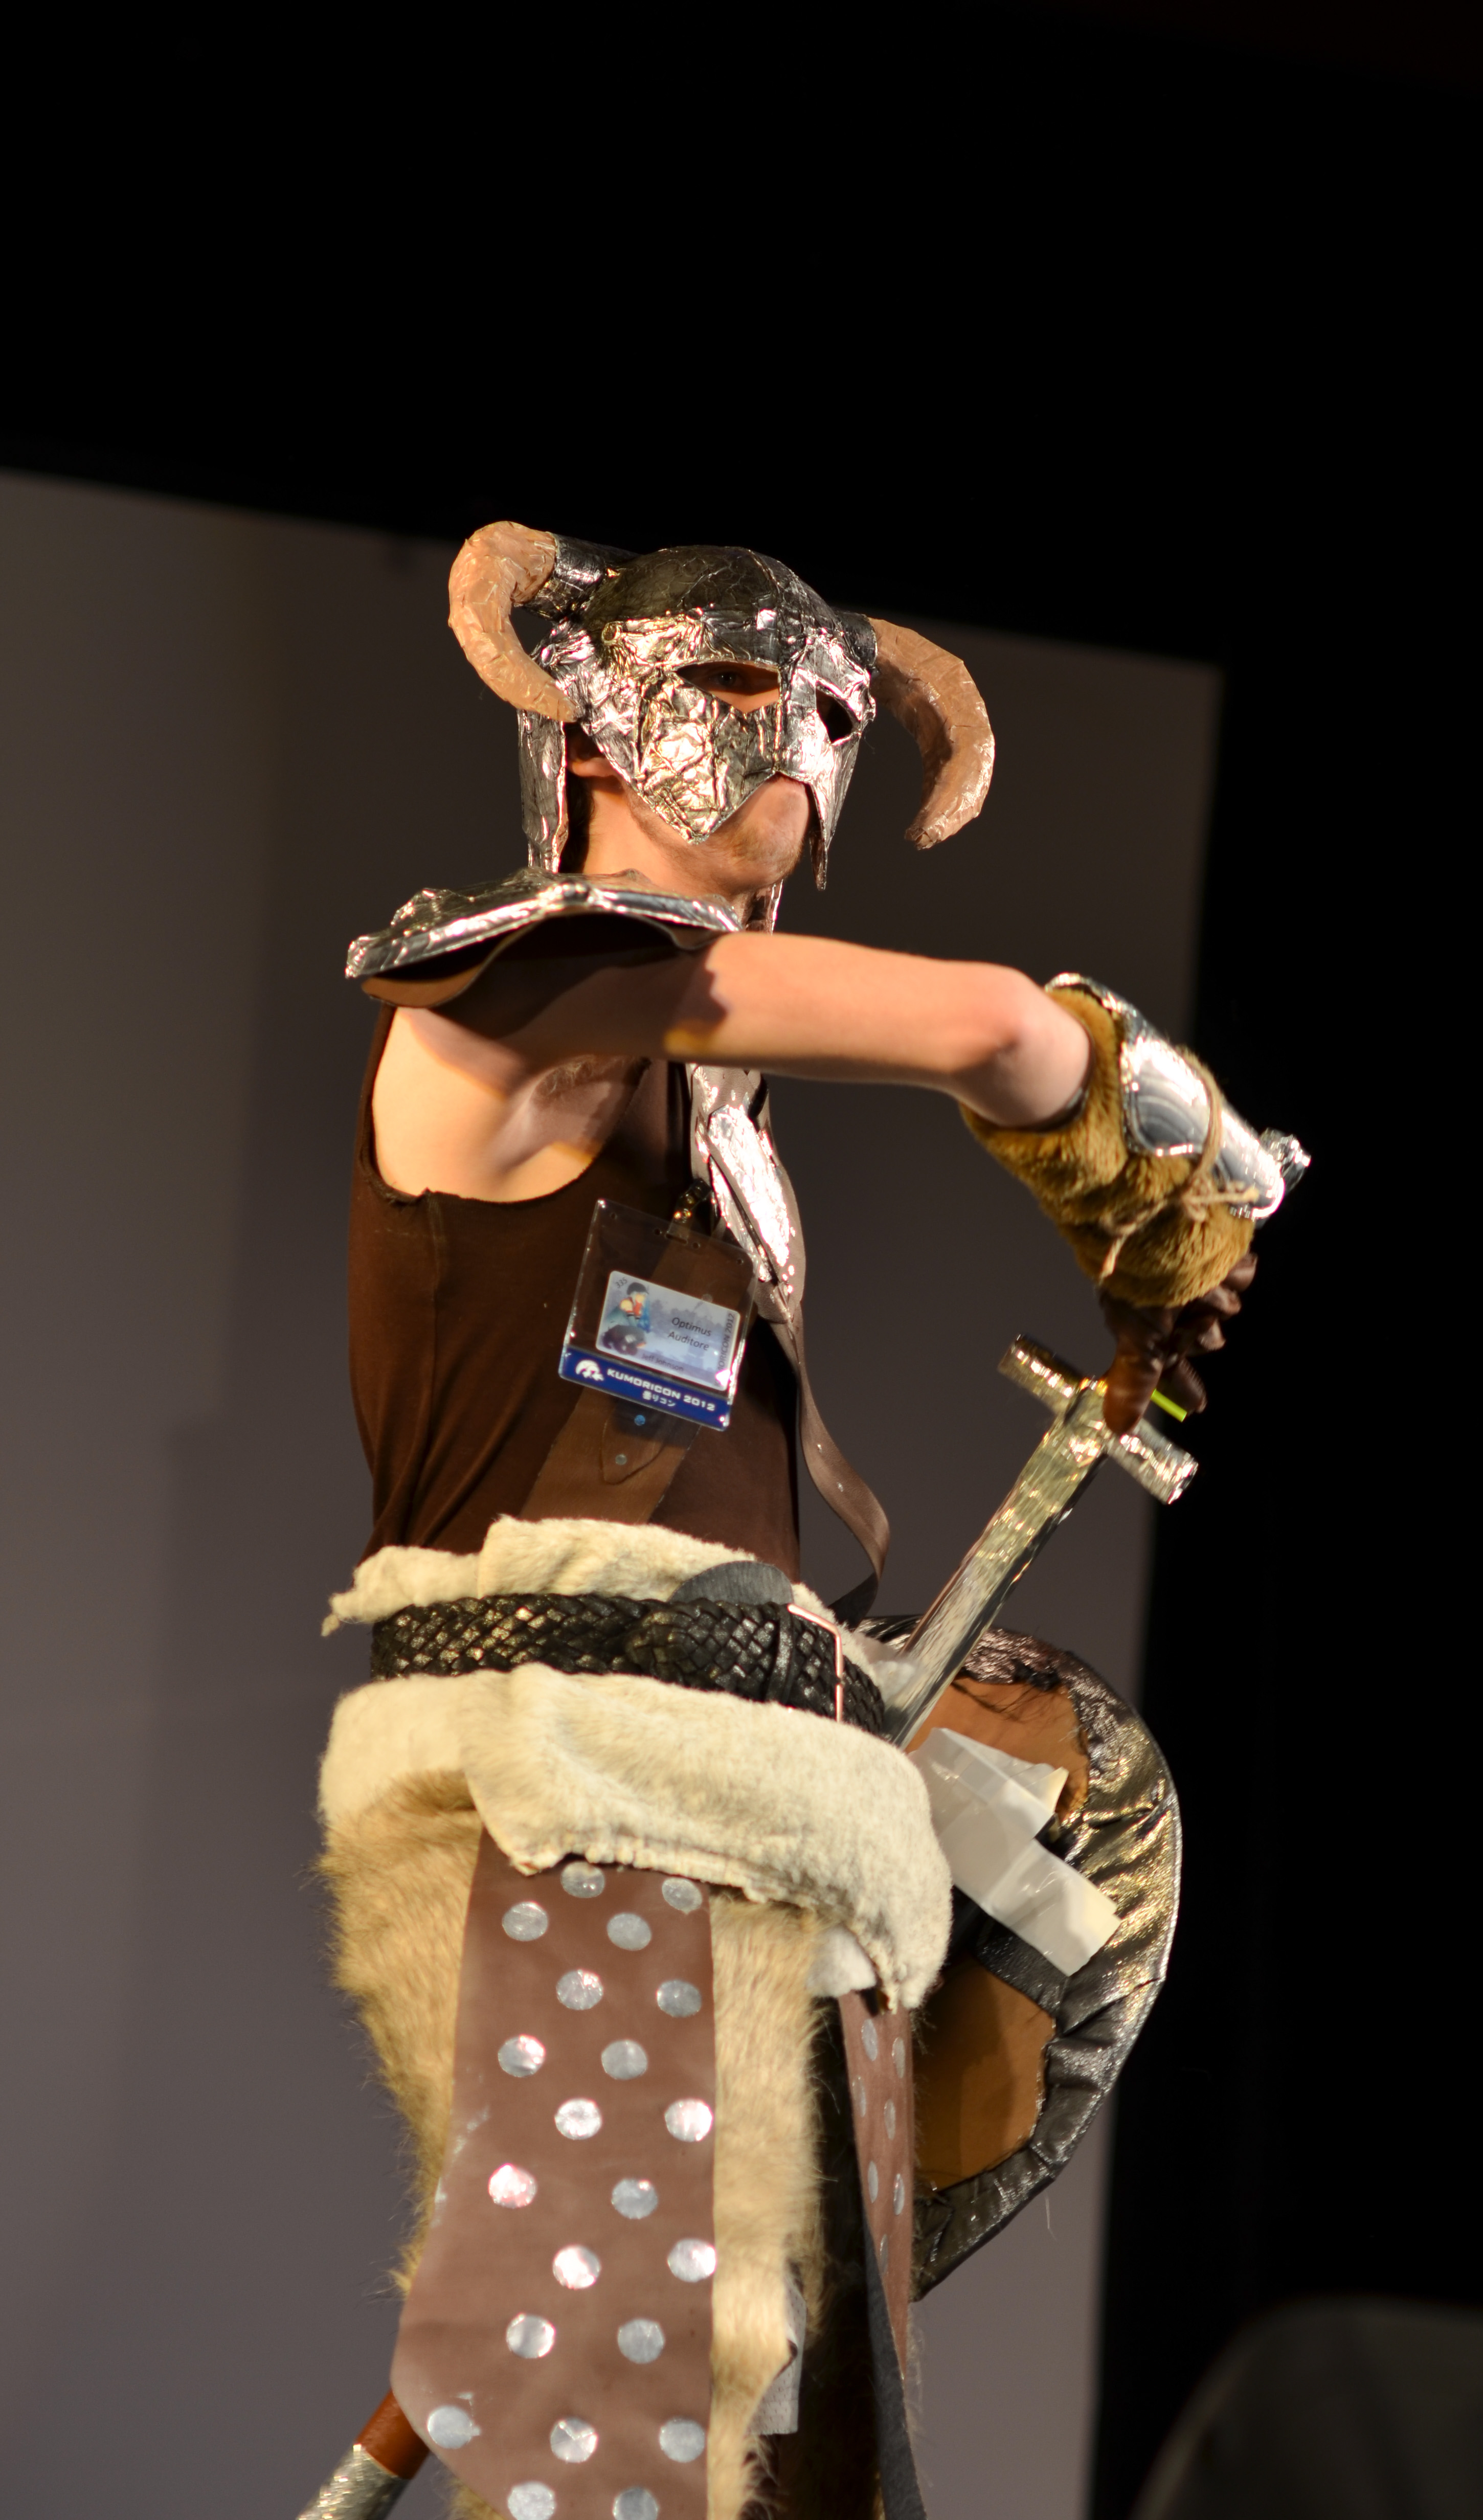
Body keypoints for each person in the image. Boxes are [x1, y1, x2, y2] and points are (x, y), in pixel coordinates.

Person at [308, 526, 1295, 2520]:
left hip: (743, 1810)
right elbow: (990, 1029)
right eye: (742, 689)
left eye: (838, 708)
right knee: (624, 2443)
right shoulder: (505, 998)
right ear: (597, 731)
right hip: (578, 1796)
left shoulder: (708, 1126)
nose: (802, 742)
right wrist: (1171, 1154)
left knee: (791, 2458)